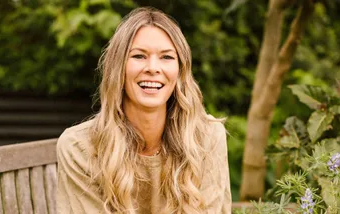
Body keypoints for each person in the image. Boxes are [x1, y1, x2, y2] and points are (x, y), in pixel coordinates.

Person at [56, 7, 231, 214]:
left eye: (166, 57)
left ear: (180, 71)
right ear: (118, 68)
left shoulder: (207, 138)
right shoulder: (79, 147)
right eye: (139, 56)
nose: (153, 68)